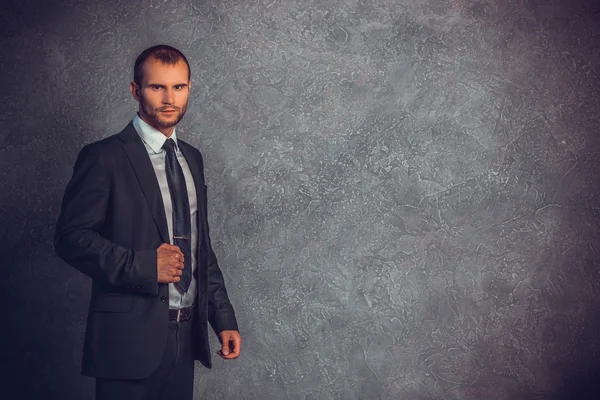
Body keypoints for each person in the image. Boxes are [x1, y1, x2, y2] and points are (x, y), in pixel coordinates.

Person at [54, 44, 242, 400]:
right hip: (126, 339)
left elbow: (201, 246)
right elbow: (70, 238)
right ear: (135, 90)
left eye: (179, 87)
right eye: (158, 87)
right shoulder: (103, 157)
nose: (169, 98)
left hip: (185, 337)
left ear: (189, 88)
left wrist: (222, 317)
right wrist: (143, 265)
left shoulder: (192, 158)